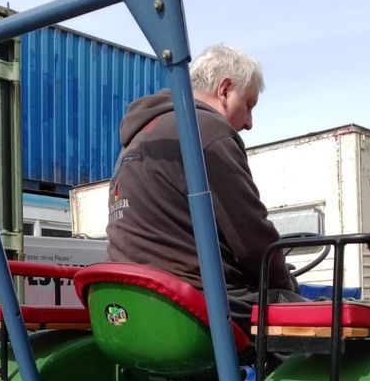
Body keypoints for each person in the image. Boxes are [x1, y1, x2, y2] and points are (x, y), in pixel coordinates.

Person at [106, 44, 298, 333]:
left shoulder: (137, 138)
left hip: (132, 299)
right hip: (190, 304)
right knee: (322, 330)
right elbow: (250, 235)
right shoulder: (207, 130)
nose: (248, 123)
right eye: (248, 104)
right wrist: (286, 285)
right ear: (224, 89)